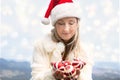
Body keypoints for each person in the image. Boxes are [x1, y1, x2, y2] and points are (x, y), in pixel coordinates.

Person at [31, 0, 93, 80]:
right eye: (61, 23)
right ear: (55, 25)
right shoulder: (41, 46)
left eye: (71, 23)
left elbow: (87, 77)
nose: (66, 29)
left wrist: (78, 76)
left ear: (77, 24)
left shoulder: (84, 50)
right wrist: (51, 75)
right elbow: (36, 77)